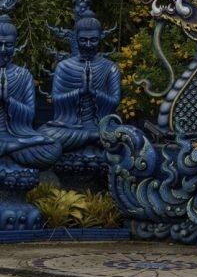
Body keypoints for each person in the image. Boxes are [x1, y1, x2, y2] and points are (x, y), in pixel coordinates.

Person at [40, 16, 122, 152]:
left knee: (127, 134)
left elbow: (114, 101)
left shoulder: (110, 68)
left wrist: (94, 93)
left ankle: (93, 136)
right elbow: (55, 99)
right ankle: (94, 137)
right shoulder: (63, 66)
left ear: (100, 38)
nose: (88, 45)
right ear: (76, 39)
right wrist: (80, 92)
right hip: (70, 127)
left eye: (93, 40)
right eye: (83, 40)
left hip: (100, 125)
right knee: (44, 135)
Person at [0, 16, 61, 168]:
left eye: (8, 45)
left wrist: (8, 101)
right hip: (19, 144)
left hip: (17, 135)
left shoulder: (23, 75)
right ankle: (9, 148)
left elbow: (29, 114)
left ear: (15, 46)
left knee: (53, 148)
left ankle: (7, 148)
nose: (2, 50)